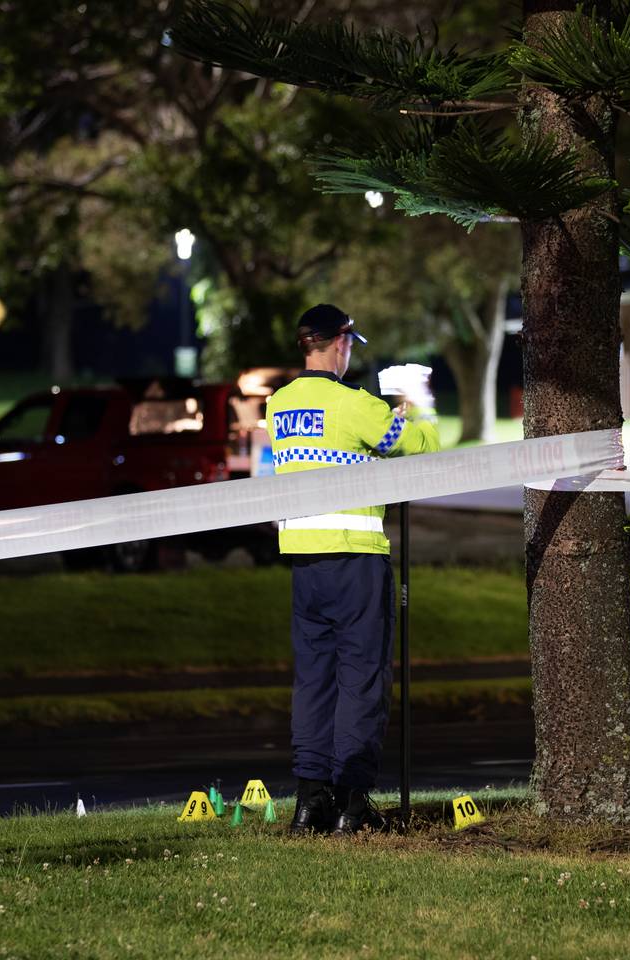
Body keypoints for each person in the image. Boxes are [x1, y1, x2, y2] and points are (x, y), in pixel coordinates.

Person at [266, 303, 440, 835]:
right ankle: (351, 804)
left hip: (304, 562)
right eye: (348, 344)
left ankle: (308, 802)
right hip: (356, 560)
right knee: (362, 682)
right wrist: (415, 402)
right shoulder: (353, 405)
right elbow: (422, 447)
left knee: (314, 682)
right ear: (339, 344)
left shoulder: (280, 405)